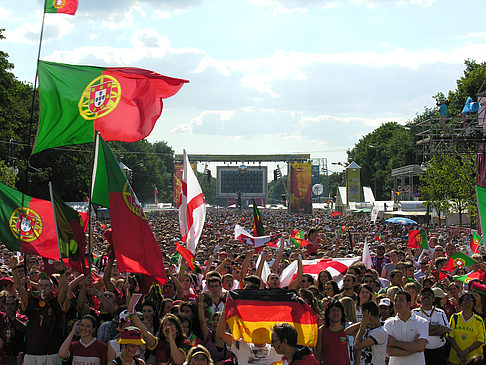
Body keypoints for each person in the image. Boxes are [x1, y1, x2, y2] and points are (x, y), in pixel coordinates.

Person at [216, 312, 281, 365]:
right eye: (257, 332)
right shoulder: (242, 346)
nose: (260, 335)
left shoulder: (277, 349)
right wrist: (225, 310)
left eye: (262, 332)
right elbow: (220, 335)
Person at [384, 289, 428, 365]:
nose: (397, 303)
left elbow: (420, 347)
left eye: (401, 300)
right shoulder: (389, 324)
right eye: (395, 300)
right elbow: (388, 351)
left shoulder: (421, 322)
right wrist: (414, 348)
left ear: (409, 303)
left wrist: (395, 343)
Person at [412, 287, 450, 365]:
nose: (426, 296)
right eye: (424, 295)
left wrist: (423, 331)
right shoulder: (414, 312)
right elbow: (413, 331)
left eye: (429, 295)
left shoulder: (440, 312)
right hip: (421, 352)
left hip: (438, 352)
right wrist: (436, 328)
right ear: (420, 298)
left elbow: (445, 329)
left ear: (433, 299)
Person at [448, 292, 486, 365]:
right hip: (456, 358)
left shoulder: (479, 320)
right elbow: (450, 336)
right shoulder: (454, 317)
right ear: (461, 303)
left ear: (474, 303)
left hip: (473, 360)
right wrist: (459, 352)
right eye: (464, 299)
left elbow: (481, 340)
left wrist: (465, 351)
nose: (467, 301)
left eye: (470, 299)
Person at [345, 301, 387, 365]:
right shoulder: (366, 327)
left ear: (367, 314)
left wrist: (362, 327)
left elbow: (357, 346)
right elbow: (346, 332)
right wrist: (362, 323)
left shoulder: (380, 332)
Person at [316, 299, 350, 365]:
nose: (336, 313)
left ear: (342, 314)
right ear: (328, 314)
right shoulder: (321, 330)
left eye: (338, 310)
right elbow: (318, 354)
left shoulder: (348, 329)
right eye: (333, 310)